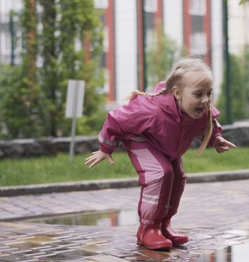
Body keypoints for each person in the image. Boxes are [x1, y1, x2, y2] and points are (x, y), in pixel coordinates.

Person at [85, 56, 236, 250]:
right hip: (140, 139)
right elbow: (116, 119)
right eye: (199, 94)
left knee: (178, 177)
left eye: (209, 93)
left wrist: (215, 138)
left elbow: (207, 124)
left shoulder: (200, 110)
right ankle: (148, 229)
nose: (205, 100)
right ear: (177, 93)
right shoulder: (151, 110)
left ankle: (164, 225)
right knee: (160, 173)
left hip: (165, 146)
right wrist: (106, 148)